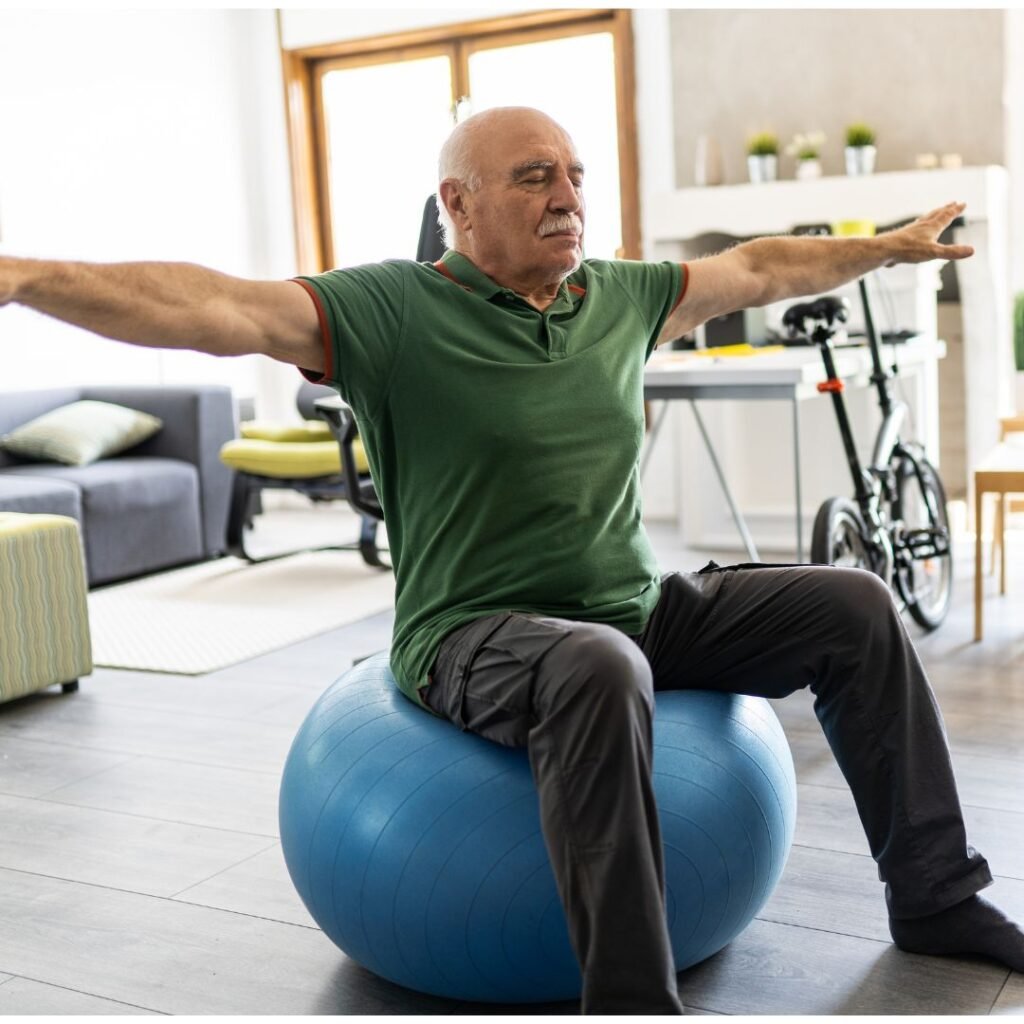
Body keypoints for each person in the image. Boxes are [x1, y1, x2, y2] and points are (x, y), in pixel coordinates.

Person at [2, 106, 1021, 1014]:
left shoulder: (619, 296)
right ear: (459, 202)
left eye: (575, 175)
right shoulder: (389, 309)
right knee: (596, 663)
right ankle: (629, 1003)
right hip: (473, 633)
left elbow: (758, 268)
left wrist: (886, 249)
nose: (567, 197)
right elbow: (211, 309)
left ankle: (936, 897)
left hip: (631, 605)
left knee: (853, 603)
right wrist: (28, 278)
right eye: (535, 176)